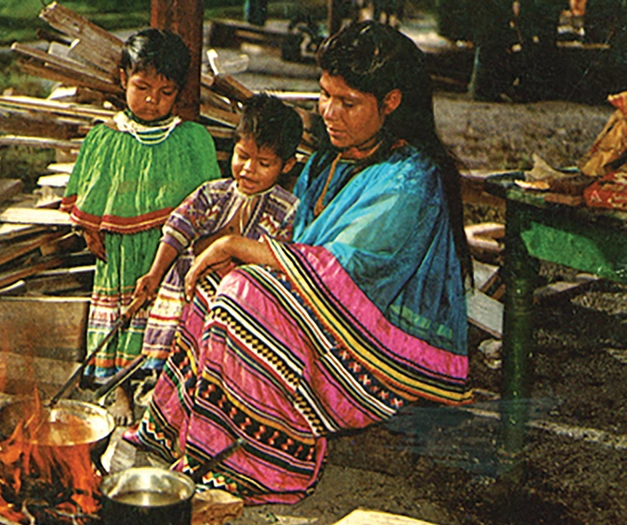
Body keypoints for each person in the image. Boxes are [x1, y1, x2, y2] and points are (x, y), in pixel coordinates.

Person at [124, 21, 473, 504]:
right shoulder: (331, 160)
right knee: (209, 284)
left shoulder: (413, 178)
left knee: (242, 293)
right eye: (324, 95)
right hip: (324, 316)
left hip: (377, 344)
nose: (328, 113)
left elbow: (342, 271)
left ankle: (260, 464)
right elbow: (295, 249)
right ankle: (191, 439)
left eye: (346, 102)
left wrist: (233, 247)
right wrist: (230, 258)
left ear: (390, 102)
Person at [60, 28, 222, 383]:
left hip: (172, 254)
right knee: (120, 315)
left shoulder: (192, 140)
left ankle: (159, 387)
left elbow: (209, 201)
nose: (152, 100)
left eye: (166, 92)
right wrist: (89, 229)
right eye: (142, 88)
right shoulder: (106, 138)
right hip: (120, 254)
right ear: (123, 79)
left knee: (165, 322)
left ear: (179, 91)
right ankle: (117, 387)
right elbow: (90, 191)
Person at [133, 94, 303, 375]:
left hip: (233, 306)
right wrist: (154, 274)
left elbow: (277, 263)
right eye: (242, 156)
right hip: (183, 294)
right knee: (171, 363)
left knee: (211, 366)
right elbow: (177, 230)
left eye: (263, 163)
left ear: (286, 166)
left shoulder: (286, 210)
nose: (248, 169)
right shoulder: (212, 193)